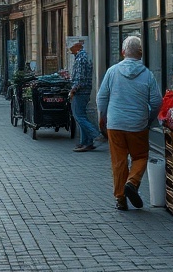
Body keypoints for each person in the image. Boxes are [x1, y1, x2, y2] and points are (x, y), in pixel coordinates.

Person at [96, 35, 161, 210]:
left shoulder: (112, 71)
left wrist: (102, 116)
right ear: (140, 54)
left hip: (115, 123)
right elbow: (156, 101)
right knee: (140, 156)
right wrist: (150, 118)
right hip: (137, 124)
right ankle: (132, 183)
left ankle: (121, 198)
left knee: (119, 161)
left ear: (123, 52)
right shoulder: (147, 75)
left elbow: (102, 97)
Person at [68, 39, 102, 152]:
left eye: (71, 47)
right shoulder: (82, 57)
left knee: (79, 116)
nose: (70, 50)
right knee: (81, 115)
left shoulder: (81, 58)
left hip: (81, 91)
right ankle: (86, 142)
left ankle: (95, 135)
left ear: (77, 47)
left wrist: (73, 90)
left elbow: (80, 77)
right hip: (84, 90)